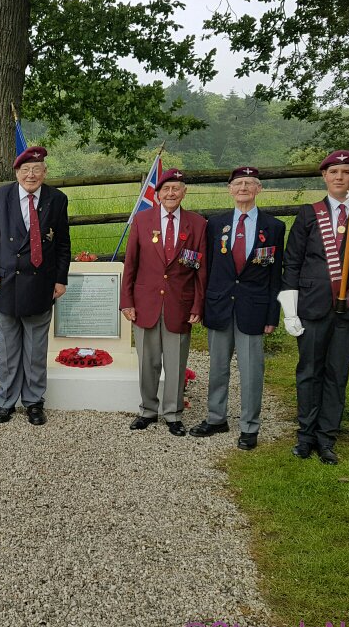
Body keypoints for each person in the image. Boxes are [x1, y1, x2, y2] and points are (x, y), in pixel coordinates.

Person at [279, 150, 349, 464]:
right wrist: (289, 308)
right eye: (334, 172)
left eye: (346, 171)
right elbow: (292, 263)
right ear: (325, 177)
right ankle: (305, 436)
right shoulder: (309, 213)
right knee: (308, 372)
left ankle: (326, 437)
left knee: (337, 373)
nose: (340, 177)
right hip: (313, 304)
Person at [0, 146, 70, 426]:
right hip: (5, 285)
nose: (31, 175)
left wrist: (60, 279)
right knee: (7, 349)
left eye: (36, 169)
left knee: (35, 350)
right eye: (25, 170)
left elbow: (63, 244)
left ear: (45, 172)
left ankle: (33, 402)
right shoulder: (0, 196)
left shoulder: (57, 199)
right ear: (17, 172)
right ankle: (5, 401)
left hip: (41, 286)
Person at [195, 166, 284, 450]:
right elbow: (205, 268)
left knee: (251, 371)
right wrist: (202, 304)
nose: (243, 187)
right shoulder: (214, 224)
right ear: (230, 190)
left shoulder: (274, 227)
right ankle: (216, 417)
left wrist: (273, 315)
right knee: (218, 368)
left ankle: (249, 426)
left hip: (254, 309)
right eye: (238, 183)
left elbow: (275, 275)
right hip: (219, 306)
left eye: (249, 183)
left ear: (259, 189)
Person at [120, 168, 208, 436]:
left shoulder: (197, 223)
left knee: (175, 363)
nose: (171, 193)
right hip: (145, 303)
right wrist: (127, 301)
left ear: (184, 192)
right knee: (148, 362)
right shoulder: (143, 220)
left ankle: (173, 414)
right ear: (157, 194)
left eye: (176, 188)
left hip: (179, 304)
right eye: (166, 189)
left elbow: (200, 269)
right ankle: (147, 410)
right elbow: (131, 263)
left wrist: (197, 305)